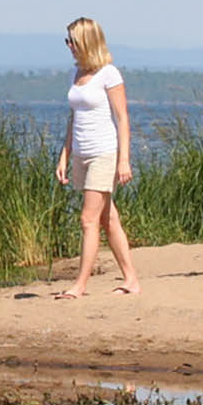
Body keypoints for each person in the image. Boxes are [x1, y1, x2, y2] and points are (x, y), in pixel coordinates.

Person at [54, 17, 142, 299]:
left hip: (104, 152)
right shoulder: (77, 73)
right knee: (108, 218)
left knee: (88, 220)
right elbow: (74, 118)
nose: (68, 46)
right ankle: (131, 280)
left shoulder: (109, 74)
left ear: (85, 41)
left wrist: (124, 160)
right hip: (81, 153)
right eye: (67, 41)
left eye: (72, 41)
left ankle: (80, 285)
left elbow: (122, 118)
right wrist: (64, 155)